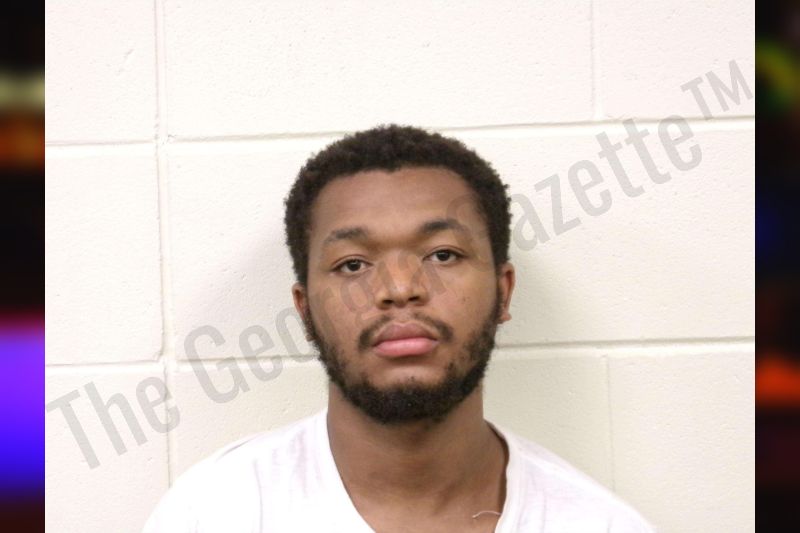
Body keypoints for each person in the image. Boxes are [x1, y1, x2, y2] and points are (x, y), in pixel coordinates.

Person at [144, 125, 655, 532]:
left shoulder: (600, 524)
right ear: (304, 311)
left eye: (443, 255)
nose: (400, 288)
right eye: (353, 264)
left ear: (503, 293)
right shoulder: (212, 514)